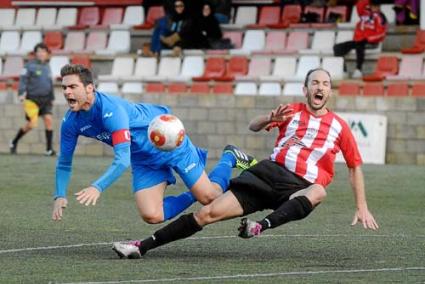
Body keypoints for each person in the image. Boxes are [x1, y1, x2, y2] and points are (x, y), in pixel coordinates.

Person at [112, 68, 379, 259]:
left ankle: (259, 226)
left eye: (325, 83)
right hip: (267, 174)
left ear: (329, 90)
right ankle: (141, 246)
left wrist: (362, 206)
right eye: (315, 82)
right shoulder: (291, 112)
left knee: (319, 191)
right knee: (207, 213)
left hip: (299, 187)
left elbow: (355, 166)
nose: (320, 87)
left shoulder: (340, 127)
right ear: (306, 89)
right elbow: (253, 126)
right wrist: (268, 118)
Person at [51, 64, 257, 225]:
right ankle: (192, 193)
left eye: (72, 87)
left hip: (169, 143)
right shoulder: (70, 122)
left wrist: (97, 187)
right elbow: (64, 163)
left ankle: (229, 157)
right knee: (152, 215)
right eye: (64, 88)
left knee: (210, 197)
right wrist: (60, 195)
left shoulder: (111, 111)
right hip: (143, 160)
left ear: (90, 88)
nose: (67, 92)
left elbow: (122, 160)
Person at [10, 43, 56, 156]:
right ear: (35, 53)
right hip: (32, 100)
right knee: (32, 124)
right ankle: (14, 142)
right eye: (39, 51)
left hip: (45, 100)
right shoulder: (28, 66)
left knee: (49, 120)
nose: (41, 53)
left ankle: (49, 149)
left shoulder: (47, 66)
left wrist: (52, 97)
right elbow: (23, 81)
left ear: (47, 53)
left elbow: (50, 83)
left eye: (43, 51)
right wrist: (21, 93)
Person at [333, 0, 388, 79]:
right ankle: (344, 70)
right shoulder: (364, 12)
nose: (374, 8)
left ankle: (359, 69)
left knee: (359, 45)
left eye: (376, 6)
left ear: (379, 7)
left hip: (372, 41)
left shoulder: (381, 17)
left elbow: (382, 33)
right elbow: (359, 4)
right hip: (359, 39)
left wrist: (368, 38)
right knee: (337, 47)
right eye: (372, 5)